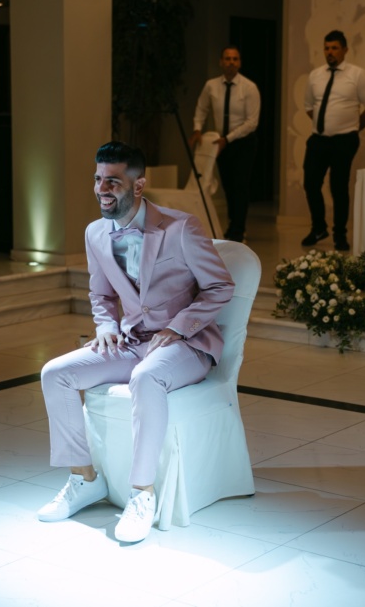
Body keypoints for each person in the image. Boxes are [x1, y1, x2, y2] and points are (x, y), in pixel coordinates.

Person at [38, 141, 234, 543]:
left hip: (187, 345)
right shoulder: (95, 233)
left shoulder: (182, 228)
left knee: (146, 378)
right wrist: (105, 325)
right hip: (130, 342)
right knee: (55, 373)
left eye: (112, 181)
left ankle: (142, 494)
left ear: (139, 185)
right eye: (97, 179)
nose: (101, 189)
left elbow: (220, 286)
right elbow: (100, 294)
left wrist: (178, 327)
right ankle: (84, 479)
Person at [301, 30, 365, 251]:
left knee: (338, 187)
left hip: (344, 140)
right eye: (327, 48)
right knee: (310, 183)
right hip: (318, 139)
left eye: (334, 48)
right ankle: (319, 227)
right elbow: (309, 106)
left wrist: (353, 127)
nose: (330, 52)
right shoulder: (315, 75)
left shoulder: (358, 75)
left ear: (345, 50)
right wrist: (324, 124)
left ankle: (340, 234)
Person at [189, 46, 260, 243]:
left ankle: (238, 229)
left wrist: (228, 138)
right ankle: (232, 225)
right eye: (227, 59)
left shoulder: (249, 87)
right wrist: (197, 128)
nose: (231, 62)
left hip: (243, 142)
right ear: (221, 62)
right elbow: (201, 108)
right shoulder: (211, 86)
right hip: (221, 143)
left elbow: (252, 122)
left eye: (235, 59)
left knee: (240, 186)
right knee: (228, 186)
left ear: (240, 63)